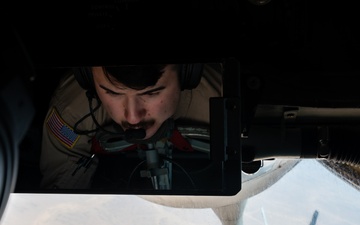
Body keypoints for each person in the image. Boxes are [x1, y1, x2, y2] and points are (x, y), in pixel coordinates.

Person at [39, 63, 223, 189]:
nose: (133, 118)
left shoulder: (222, 96)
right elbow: (60, 197)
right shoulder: (73, 112)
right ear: (87, 78)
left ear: (187, 74)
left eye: (152, 93)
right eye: (112, 92)